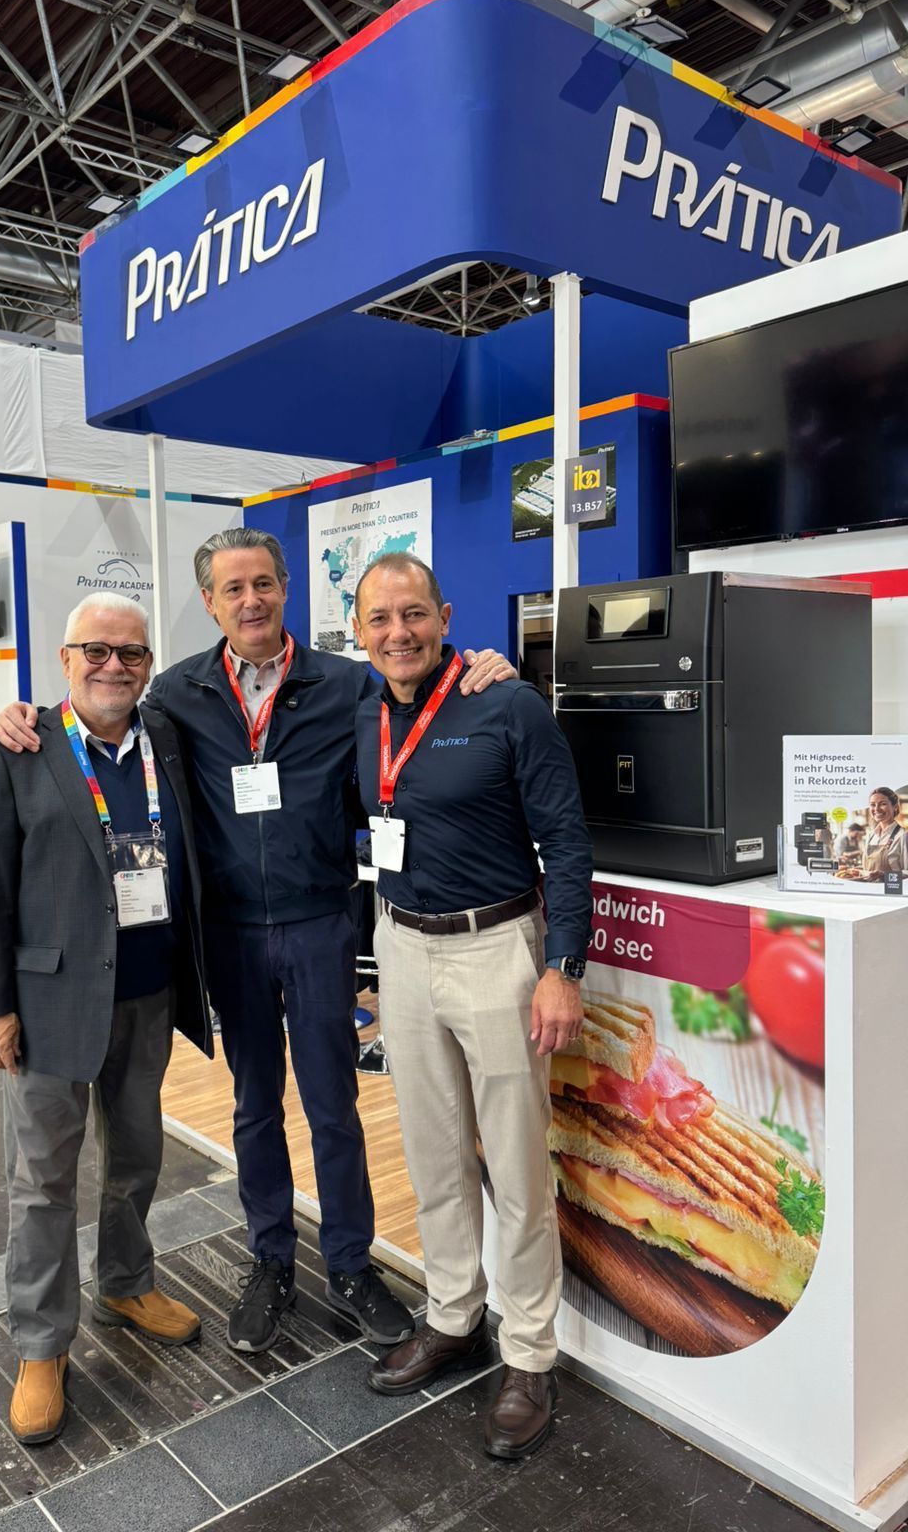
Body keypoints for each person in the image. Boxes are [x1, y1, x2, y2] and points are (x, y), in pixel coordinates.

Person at [0, 527, 513, 1356]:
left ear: (285, 588)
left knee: (334, 1106)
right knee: (254, 1107)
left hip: (318, 928)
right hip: (228, 935)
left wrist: (486, 667)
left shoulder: (347, 686)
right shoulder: (176, 696)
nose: (251, 601)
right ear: (209, 602)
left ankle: (348, 1262)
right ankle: (270, 1259)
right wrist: (19, 716)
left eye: (264, 584)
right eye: (232, 590)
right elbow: (94, 719)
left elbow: (427, 689)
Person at [351, 552, 591, 1464]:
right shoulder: (356, 706)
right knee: (433, 1150)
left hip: (499, 950)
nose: (399, 634)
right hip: (403, 947)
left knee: (518, 1165)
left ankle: (528, 1355)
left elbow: (566, 839)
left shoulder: (507, 702)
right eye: (380, 619)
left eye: (413, 615)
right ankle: (452, 1314)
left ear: (444, 616)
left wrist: (562, 964)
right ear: (359, 629)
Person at [0, 593, 212, 1447]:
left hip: (146, 994)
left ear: (149, 665)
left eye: (132, 654)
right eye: (96, 651)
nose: (115, 667)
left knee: (137, 1156)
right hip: (48, 1006)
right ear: (66, 659)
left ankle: (125, 1281)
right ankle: (40, 1344)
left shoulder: (168, 740)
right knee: (42, 1182)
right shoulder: (20, 749)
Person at [860, 786, 907, 880]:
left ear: (895, 807)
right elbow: (868, 868)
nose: (876, 809)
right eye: (873, 805)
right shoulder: (871, 835)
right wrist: (859, 871)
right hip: (867, 890)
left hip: (889, 891)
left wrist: (884, 875)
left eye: (883, 804)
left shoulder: (903, 835)